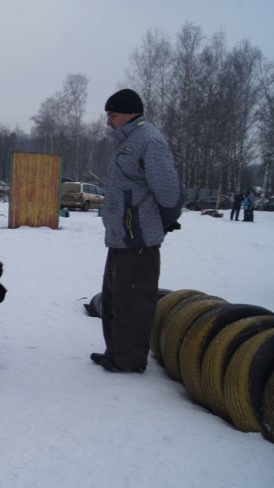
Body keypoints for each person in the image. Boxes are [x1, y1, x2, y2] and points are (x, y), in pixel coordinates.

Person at [90, 89, 184, 373]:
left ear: (131, 113)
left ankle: (129, 360)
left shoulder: (150, 141)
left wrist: (161, 222)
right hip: (120, 237)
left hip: (139, 239)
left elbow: (169, 192)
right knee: (114, 299)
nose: (108, 121)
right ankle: (115, 352)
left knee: (133, 302)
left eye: (113, 115)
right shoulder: (128, 142)